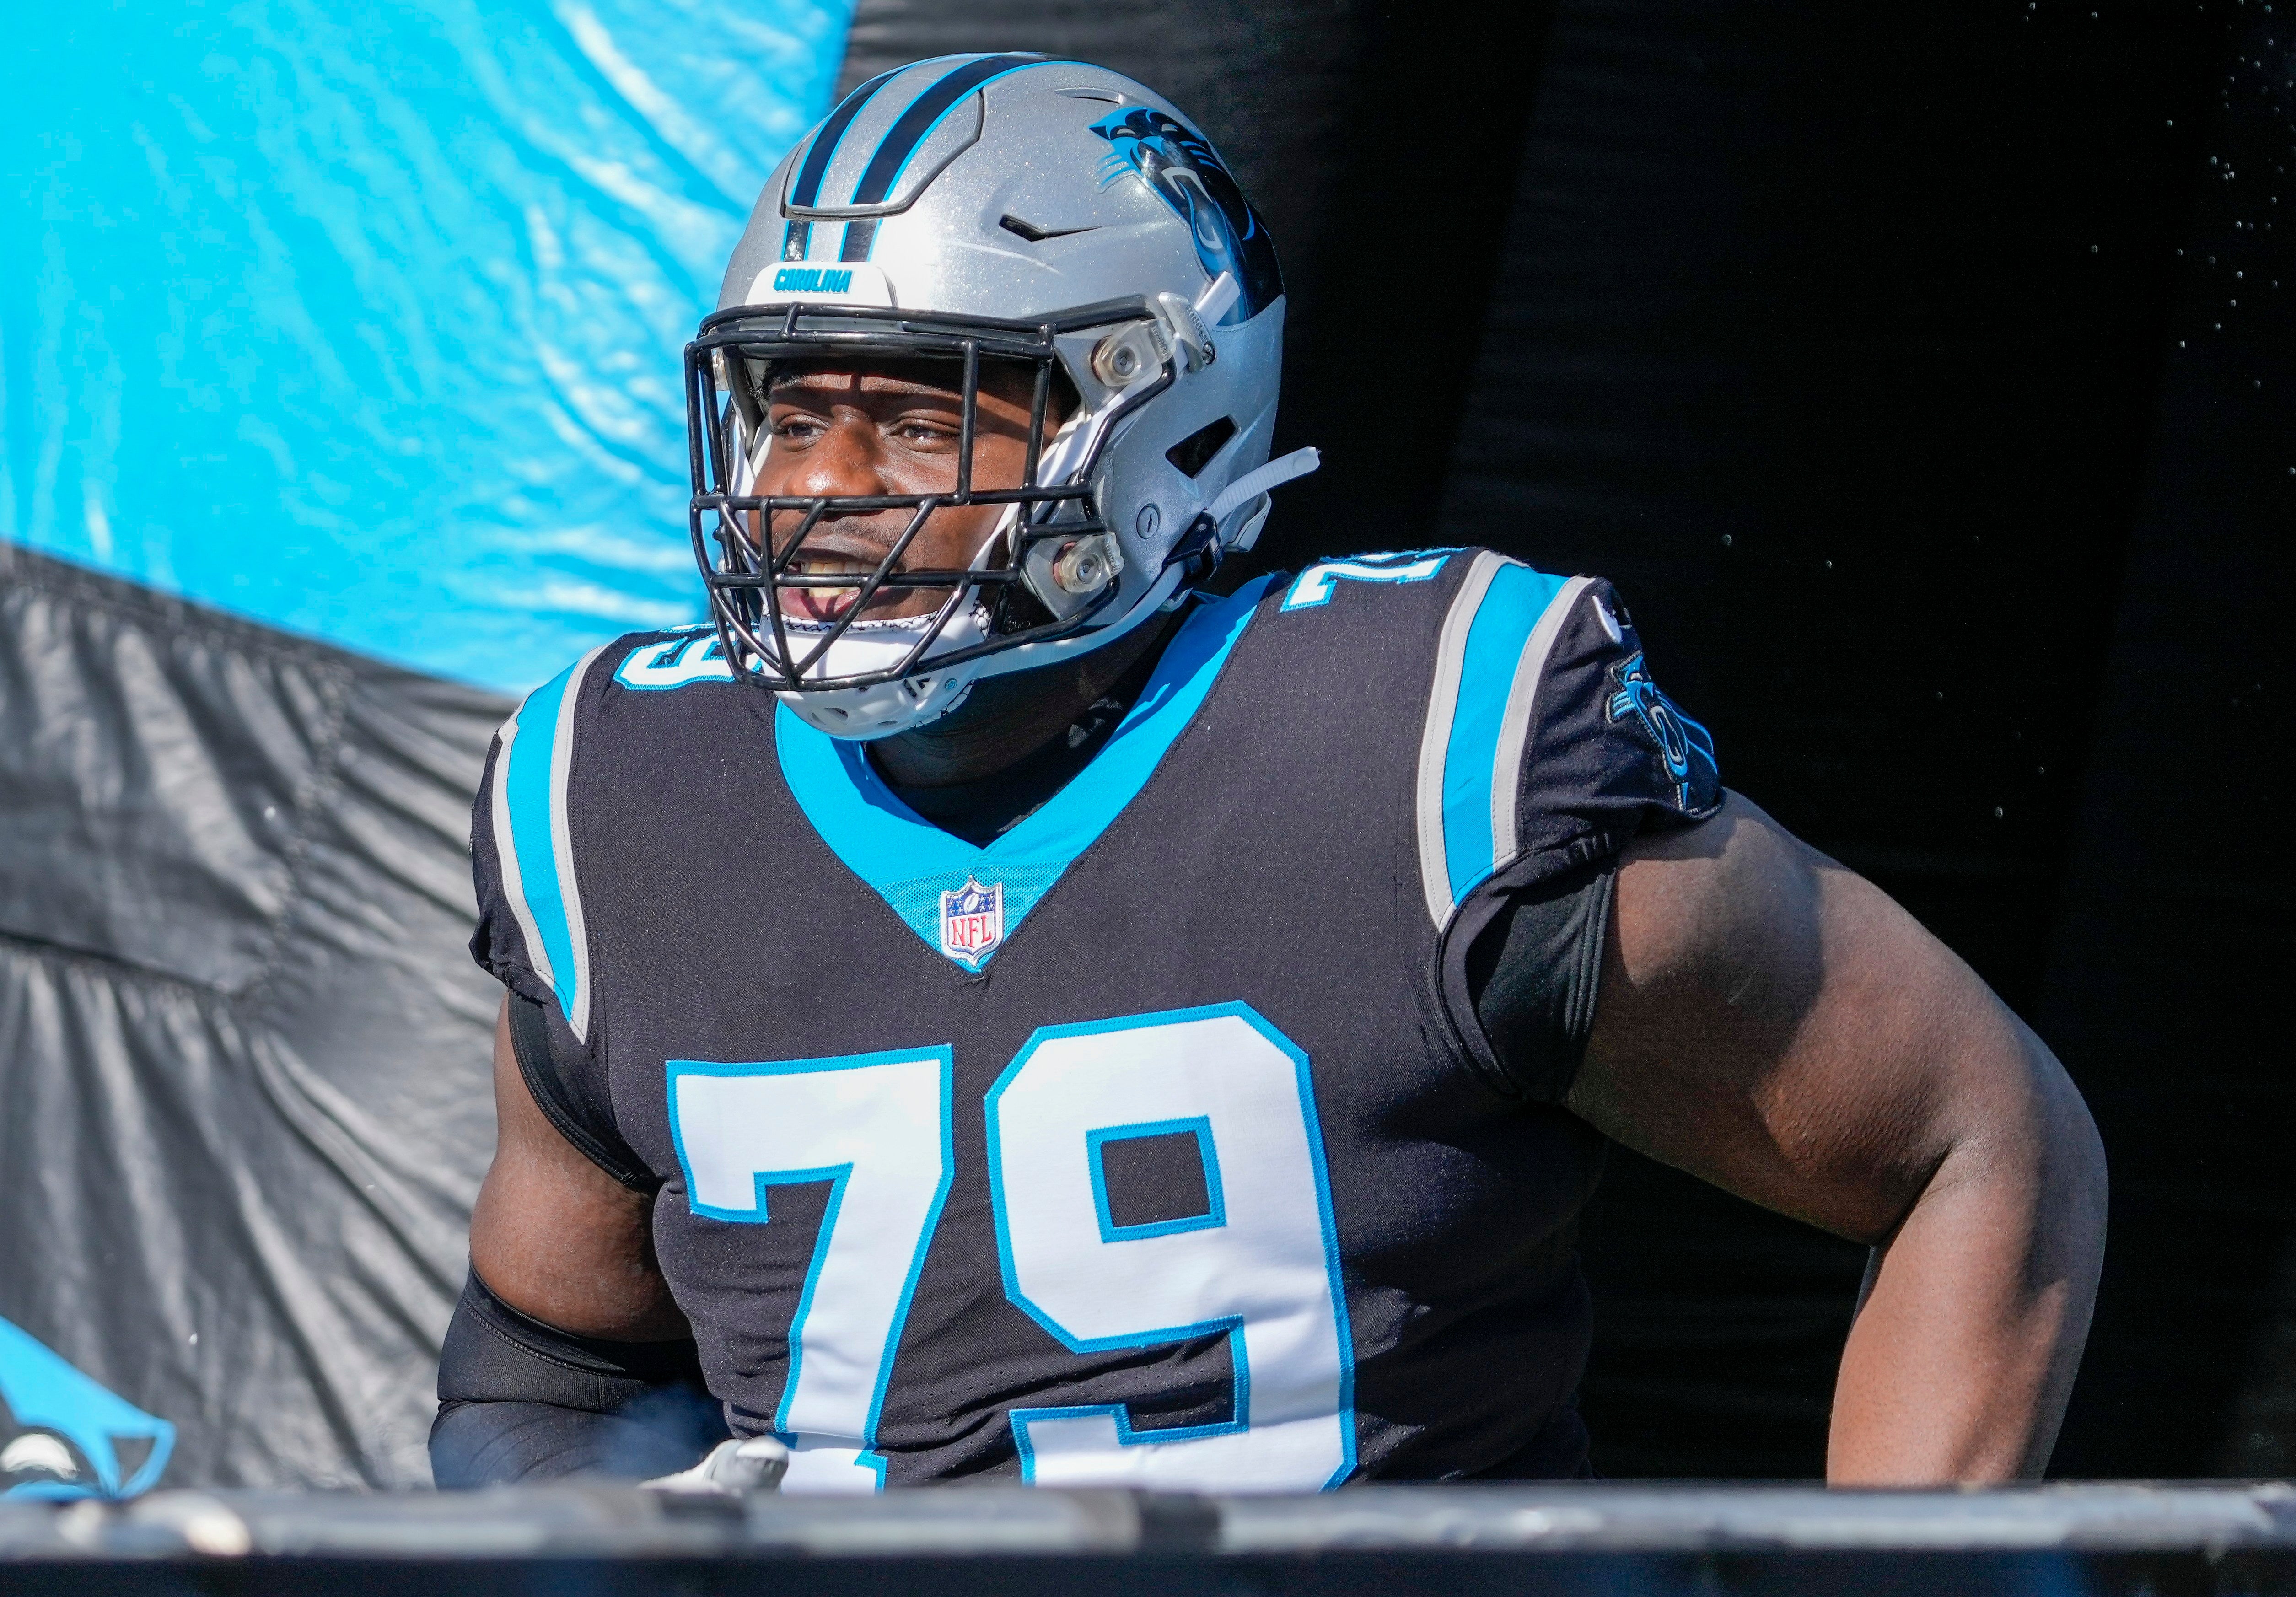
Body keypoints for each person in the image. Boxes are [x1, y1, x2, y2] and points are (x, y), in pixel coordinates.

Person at [430, 53, 2105, 1493]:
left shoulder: (1408, 750)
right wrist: (603, 1528)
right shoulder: (620, 796)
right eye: (790, 415)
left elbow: (1974, 1134)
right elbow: (545, 1370)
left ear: (1162, 411)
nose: (828, 490)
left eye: (927, 417)